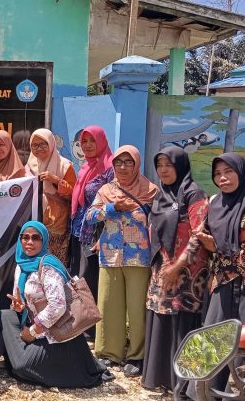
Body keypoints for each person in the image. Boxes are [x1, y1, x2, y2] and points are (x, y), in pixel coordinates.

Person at [0, 221, 107, 388]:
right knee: (5, 316)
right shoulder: (21, 265)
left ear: (44, 242)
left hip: (58, 335)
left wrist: (32, 332)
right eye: (25, 237)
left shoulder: (48, 267)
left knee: (20, 366)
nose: (29, 242)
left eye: (35, 238)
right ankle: (21, 355)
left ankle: (27, 359)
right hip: (35, 327)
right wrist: (20, 307)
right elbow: (22, 300)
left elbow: (57, 306)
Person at [85, 145, 158, 377]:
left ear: (137, 164)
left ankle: (137, 355)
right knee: (108, 306)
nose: (123, 167)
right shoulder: (106, 189)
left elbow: (158, 222)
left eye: (128, 162)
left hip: (139, 258)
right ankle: (108, 353)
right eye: (119, 162)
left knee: (137, 309)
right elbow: (89, 217)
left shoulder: (151, 190)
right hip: (110, 255)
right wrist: (112, 207)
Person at [142, 146, 209, 392]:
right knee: (161, 318)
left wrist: (178, 267)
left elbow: (199, 233)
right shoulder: (161, 195)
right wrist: (164, 266)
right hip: (162, 266)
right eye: (159, 166)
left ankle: (182, 382)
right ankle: (160, 377)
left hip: (188, 272)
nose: (163, 170)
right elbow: (156, 233)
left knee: (182, 321)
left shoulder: (193, 193)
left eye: (168, 165)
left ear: (180, 165)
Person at [198, 153, 245, 327]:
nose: (222, 178)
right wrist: (212, 247)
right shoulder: (214, 202)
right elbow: (209, 241)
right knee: (217, 339)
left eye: (228, 171)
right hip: (224, 280)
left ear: (241, 171)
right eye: (217, 174)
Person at [68, 126, 114, 321]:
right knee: (80, 278)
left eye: (91, 141)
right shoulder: (85, 167)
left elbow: (113, 203)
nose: (86, 146)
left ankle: (95, 325)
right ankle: (83, 322)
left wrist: (103, 237)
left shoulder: (110, 167)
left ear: (101, 141)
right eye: (83, 142)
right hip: (79, 231)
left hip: (96, 233)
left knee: (91, 279)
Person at [25, 129, 77, 266]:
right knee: (34, 265)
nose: (39, 148)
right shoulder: (28, 166)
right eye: (34, 145)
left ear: (51, 144)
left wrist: (56, 180)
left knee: (54, 266)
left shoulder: (65, 166)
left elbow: (74, 194)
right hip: (34, 224)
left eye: (43, 144)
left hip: (56, 227)